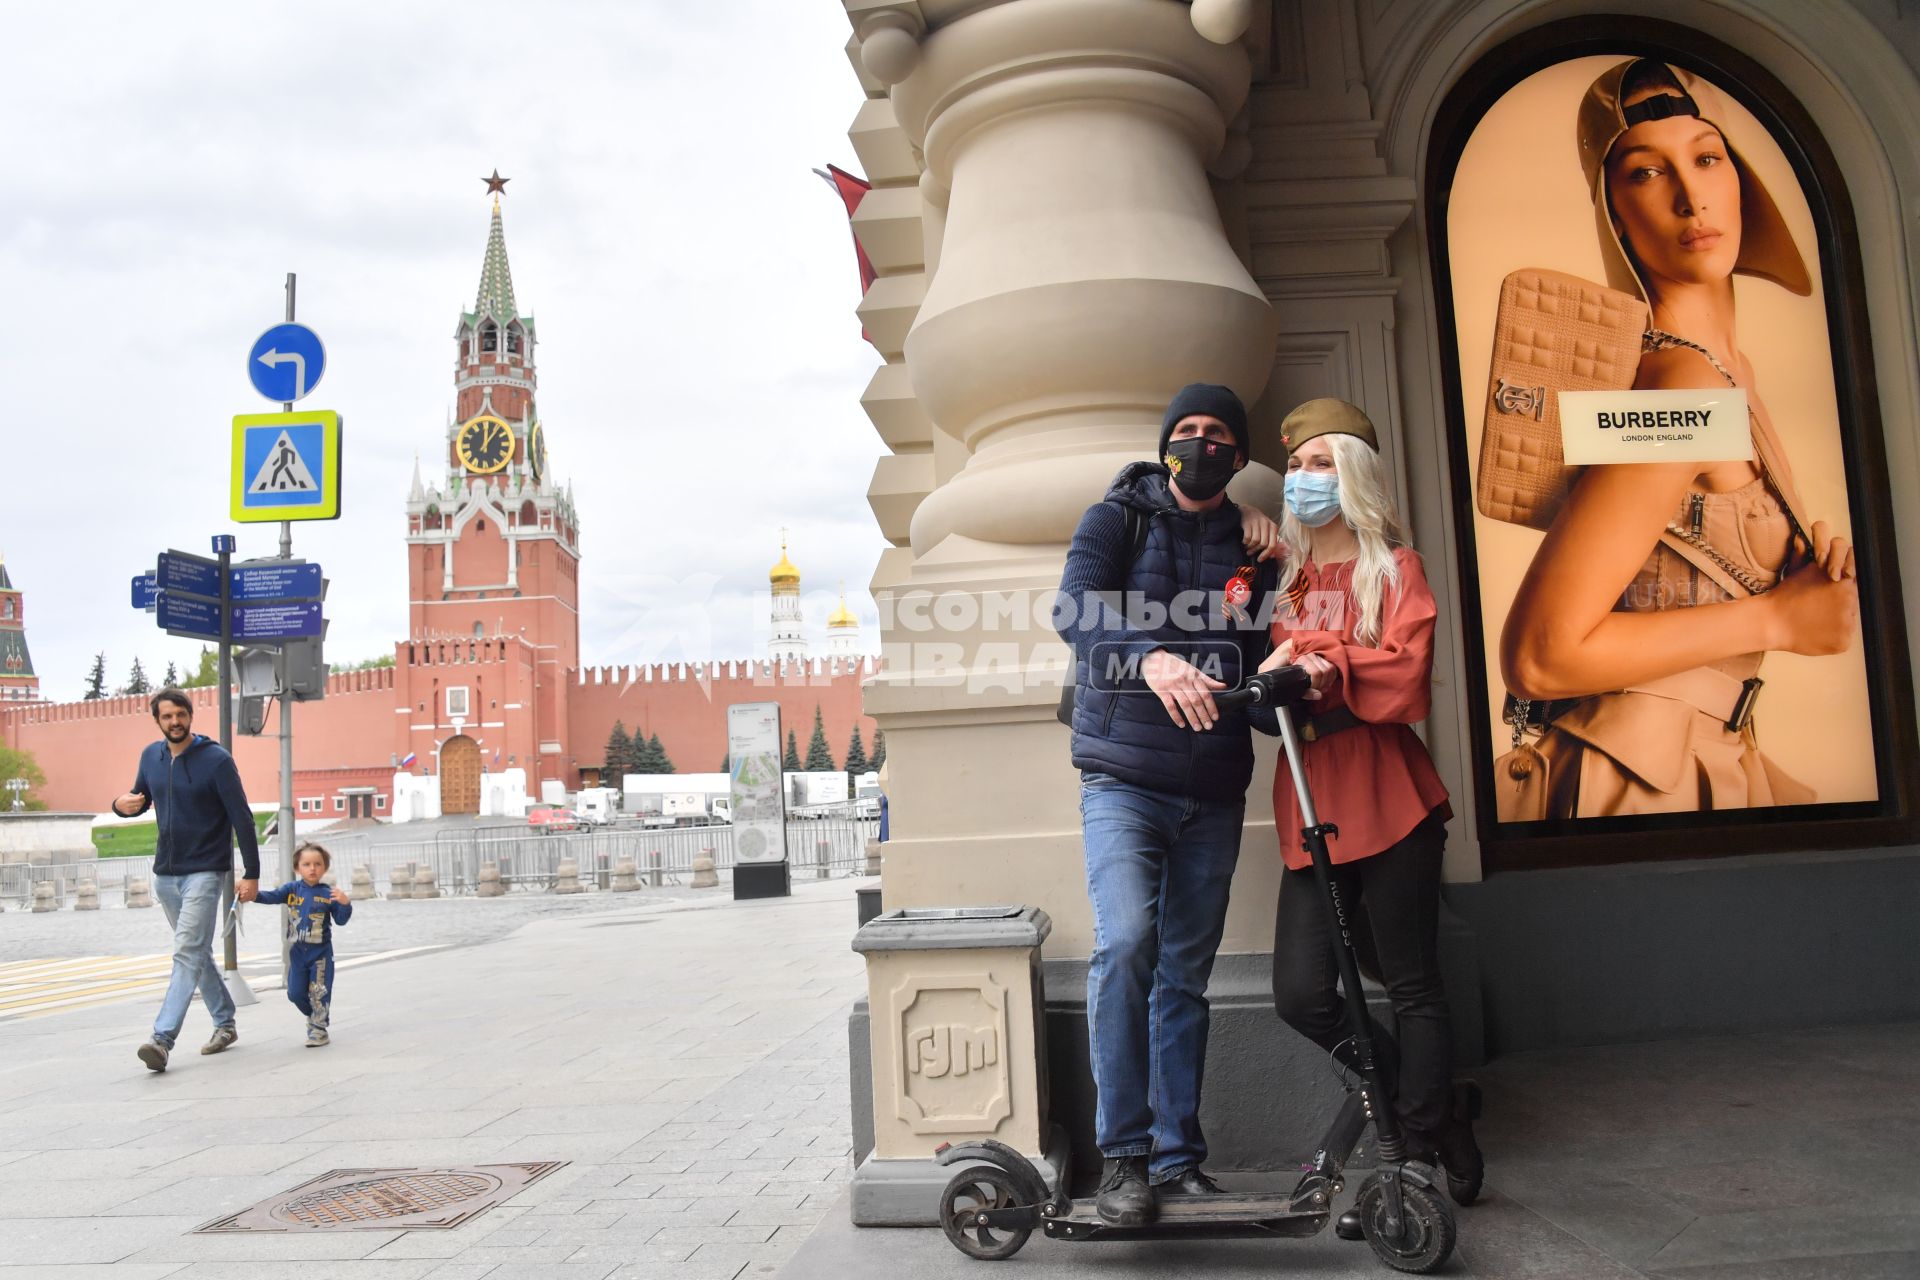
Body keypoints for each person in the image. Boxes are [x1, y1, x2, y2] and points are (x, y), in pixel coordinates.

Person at [1499, 58, 1858, 816]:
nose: (1691, 197)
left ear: (1739, 179)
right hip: (1642, 776)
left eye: (1706, 157)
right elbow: (1539, 654)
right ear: (1614, 212)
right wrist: (1777, 617)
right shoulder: (1682, 386)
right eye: (1644, 174)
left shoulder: (1729, 374)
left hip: (1706, 752)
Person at [1054, 382, 1282, 1226]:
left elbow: (1258, 671)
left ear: (1238, 453)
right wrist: (1150, 659)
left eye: (1216, 433)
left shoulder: (1252, 547)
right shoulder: (1116, 519)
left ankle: (1180, 1161)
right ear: (1165, 447)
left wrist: (1289, 667)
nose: (1198, 443)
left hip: (1215, 791)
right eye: (1184, 431)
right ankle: (1124, 1160)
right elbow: (1072, 606)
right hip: (1122, 781)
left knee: (1185, 977)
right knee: (1127, 946)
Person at [1258, 398, 1484, 1216]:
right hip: (1311, 802)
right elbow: (1269, 682)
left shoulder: (1396, 568)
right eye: (1298, 464)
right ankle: (1429, 1103)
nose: (1305, 477)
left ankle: (1414, 1147)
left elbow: (1403, 682)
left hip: (1390, 800)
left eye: (1323, 462)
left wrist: (1315, 657)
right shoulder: (1281, 579)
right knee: (1304, 994)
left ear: (1353, 474)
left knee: (1414, 984)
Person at [111, 688, 261, 1072]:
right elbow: (140, 799)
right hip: (166, 875)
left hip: (205, 872)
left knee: (185, 952)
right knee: (194, 952)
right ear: (157, 721)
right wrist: (119, 807)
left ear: (190, 715)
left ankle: (161, 1040)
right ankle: (225, 1021)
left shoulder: (216, 760)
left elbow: (242, 818)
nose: (175, 722)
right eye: (167, 717)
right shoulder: (151, 757)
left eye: (180, 714)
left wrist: (252, 873)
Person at [256, 844, 352, 1047]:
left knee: (320, 991)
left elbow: (341, 920)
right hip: (298, 952)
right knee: (294, 993)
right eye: (306, 864)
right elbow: (271, 897)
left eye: (318, 864)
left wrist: (345, 903)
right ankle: (314, 1015)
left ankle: (319, 1029)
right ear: (297, 867)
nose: (312, 868)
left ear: (324, 868)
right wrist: (252, 894)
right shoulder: (292, 890)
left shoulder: (329, 894)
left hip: (321, 954)